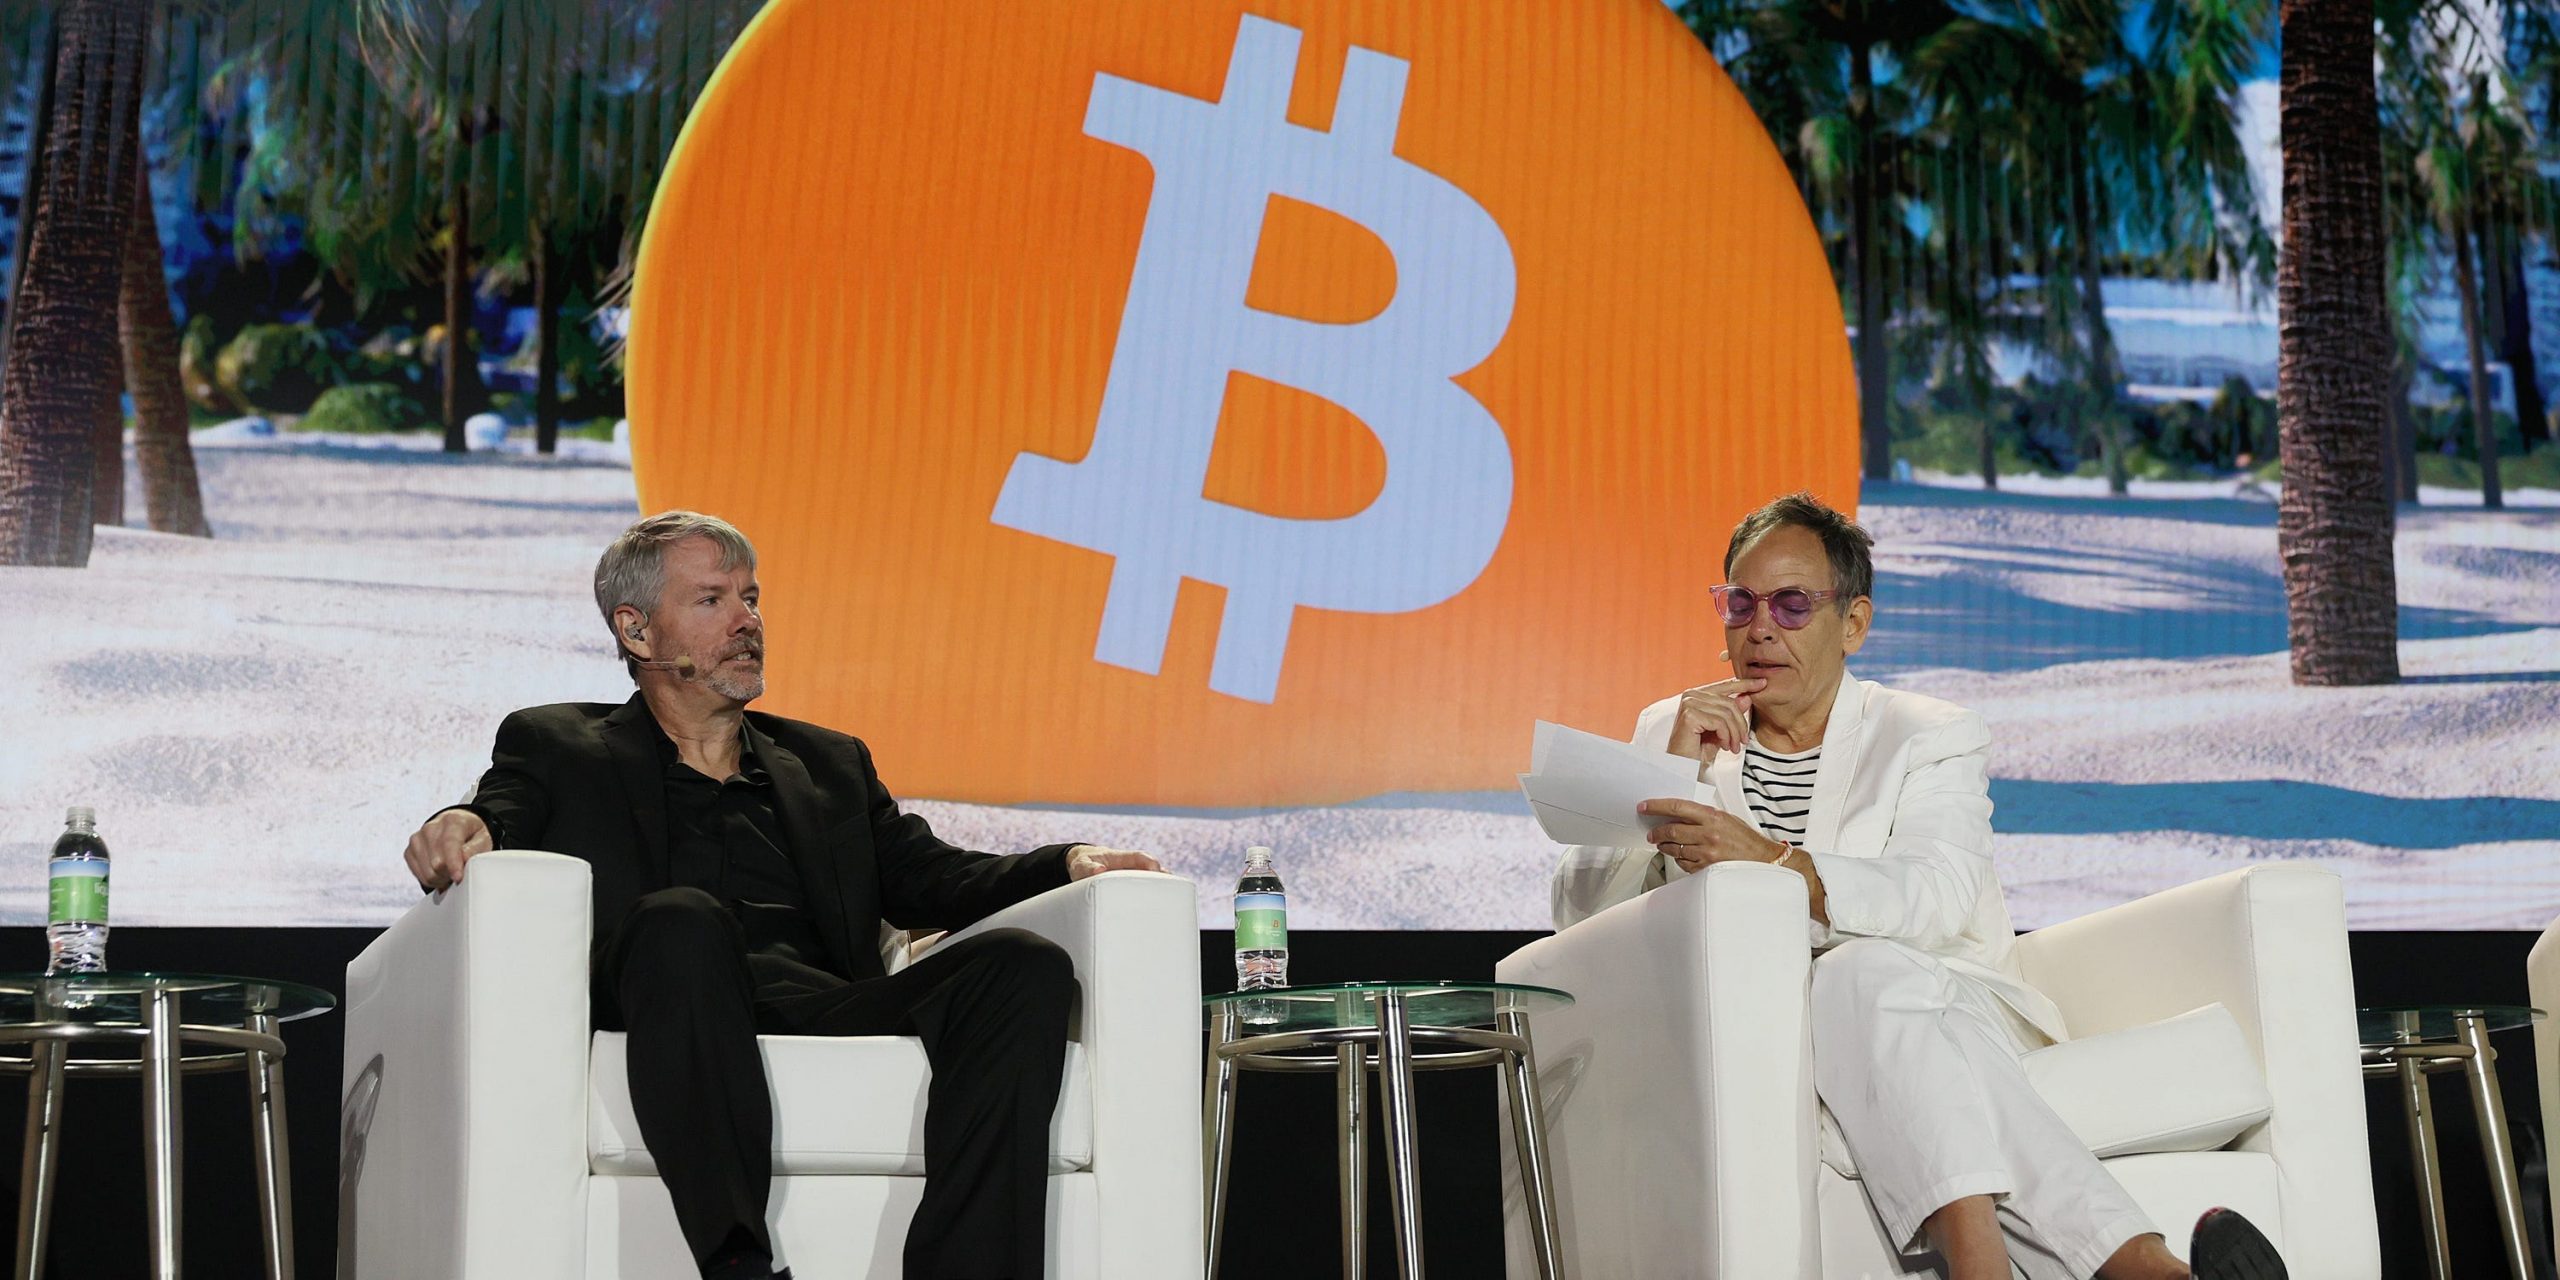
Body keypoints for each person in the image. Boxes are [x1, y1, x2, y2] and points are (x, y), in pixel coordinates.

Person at [401, 510, 1161, 1280]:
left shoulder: (828, 762)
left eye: (752, 597)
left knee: (1020, 964)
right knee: (682, 919)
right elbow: (500, 810)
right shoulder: (557, 742)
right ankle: (737, 1263)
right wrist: (460, 823)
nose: (747, 620)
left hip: (818, 998)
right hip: (666, 991)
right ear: (637, 633)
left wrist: (1067, 861)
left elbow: (929, 876)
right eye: (712, 601)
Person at [1549, 492, 2286, 1280]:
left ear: (1854, 624)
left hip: (1945, 1006)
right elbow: (1578, 913)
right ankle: (2144, 1269)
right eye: (1740, 602)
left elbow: (1934, 896)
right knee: (1854, 985)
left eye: (1793, 604)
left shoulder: (1928, 732)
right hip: (1771, 1038)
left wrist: (1770, 863)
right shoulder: (1675, 726)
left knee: (1862, 972)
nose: (1759, 628)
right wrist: (1665, 766)